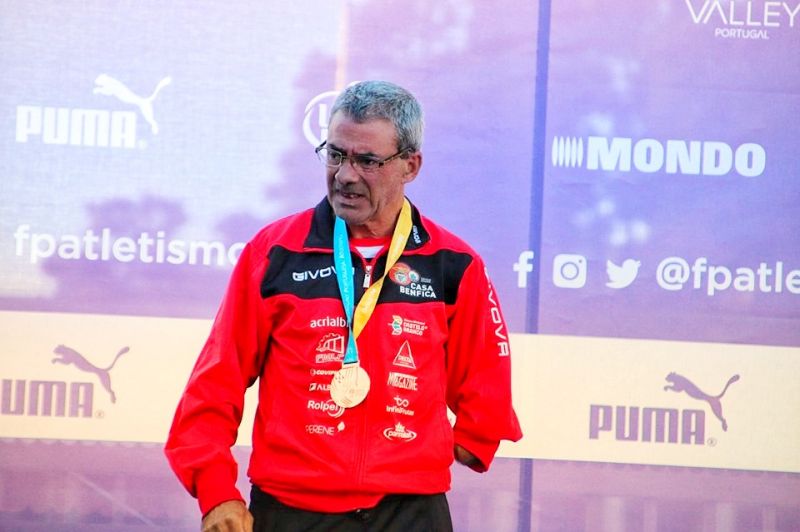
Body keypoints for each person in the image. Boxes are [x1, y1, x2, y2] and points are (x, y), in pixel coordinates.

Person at [165, 80, 522, 532]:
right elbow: (216, 382)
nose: (346, 174)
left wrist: (475, 436)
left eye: (367, 161)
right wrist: (216, 491)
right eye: (335, 154)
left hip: (410, 512)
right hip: (291, 510)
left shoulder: (452, 262)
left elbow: (488, 376)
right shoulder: (274, 253)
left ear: (410, 165)